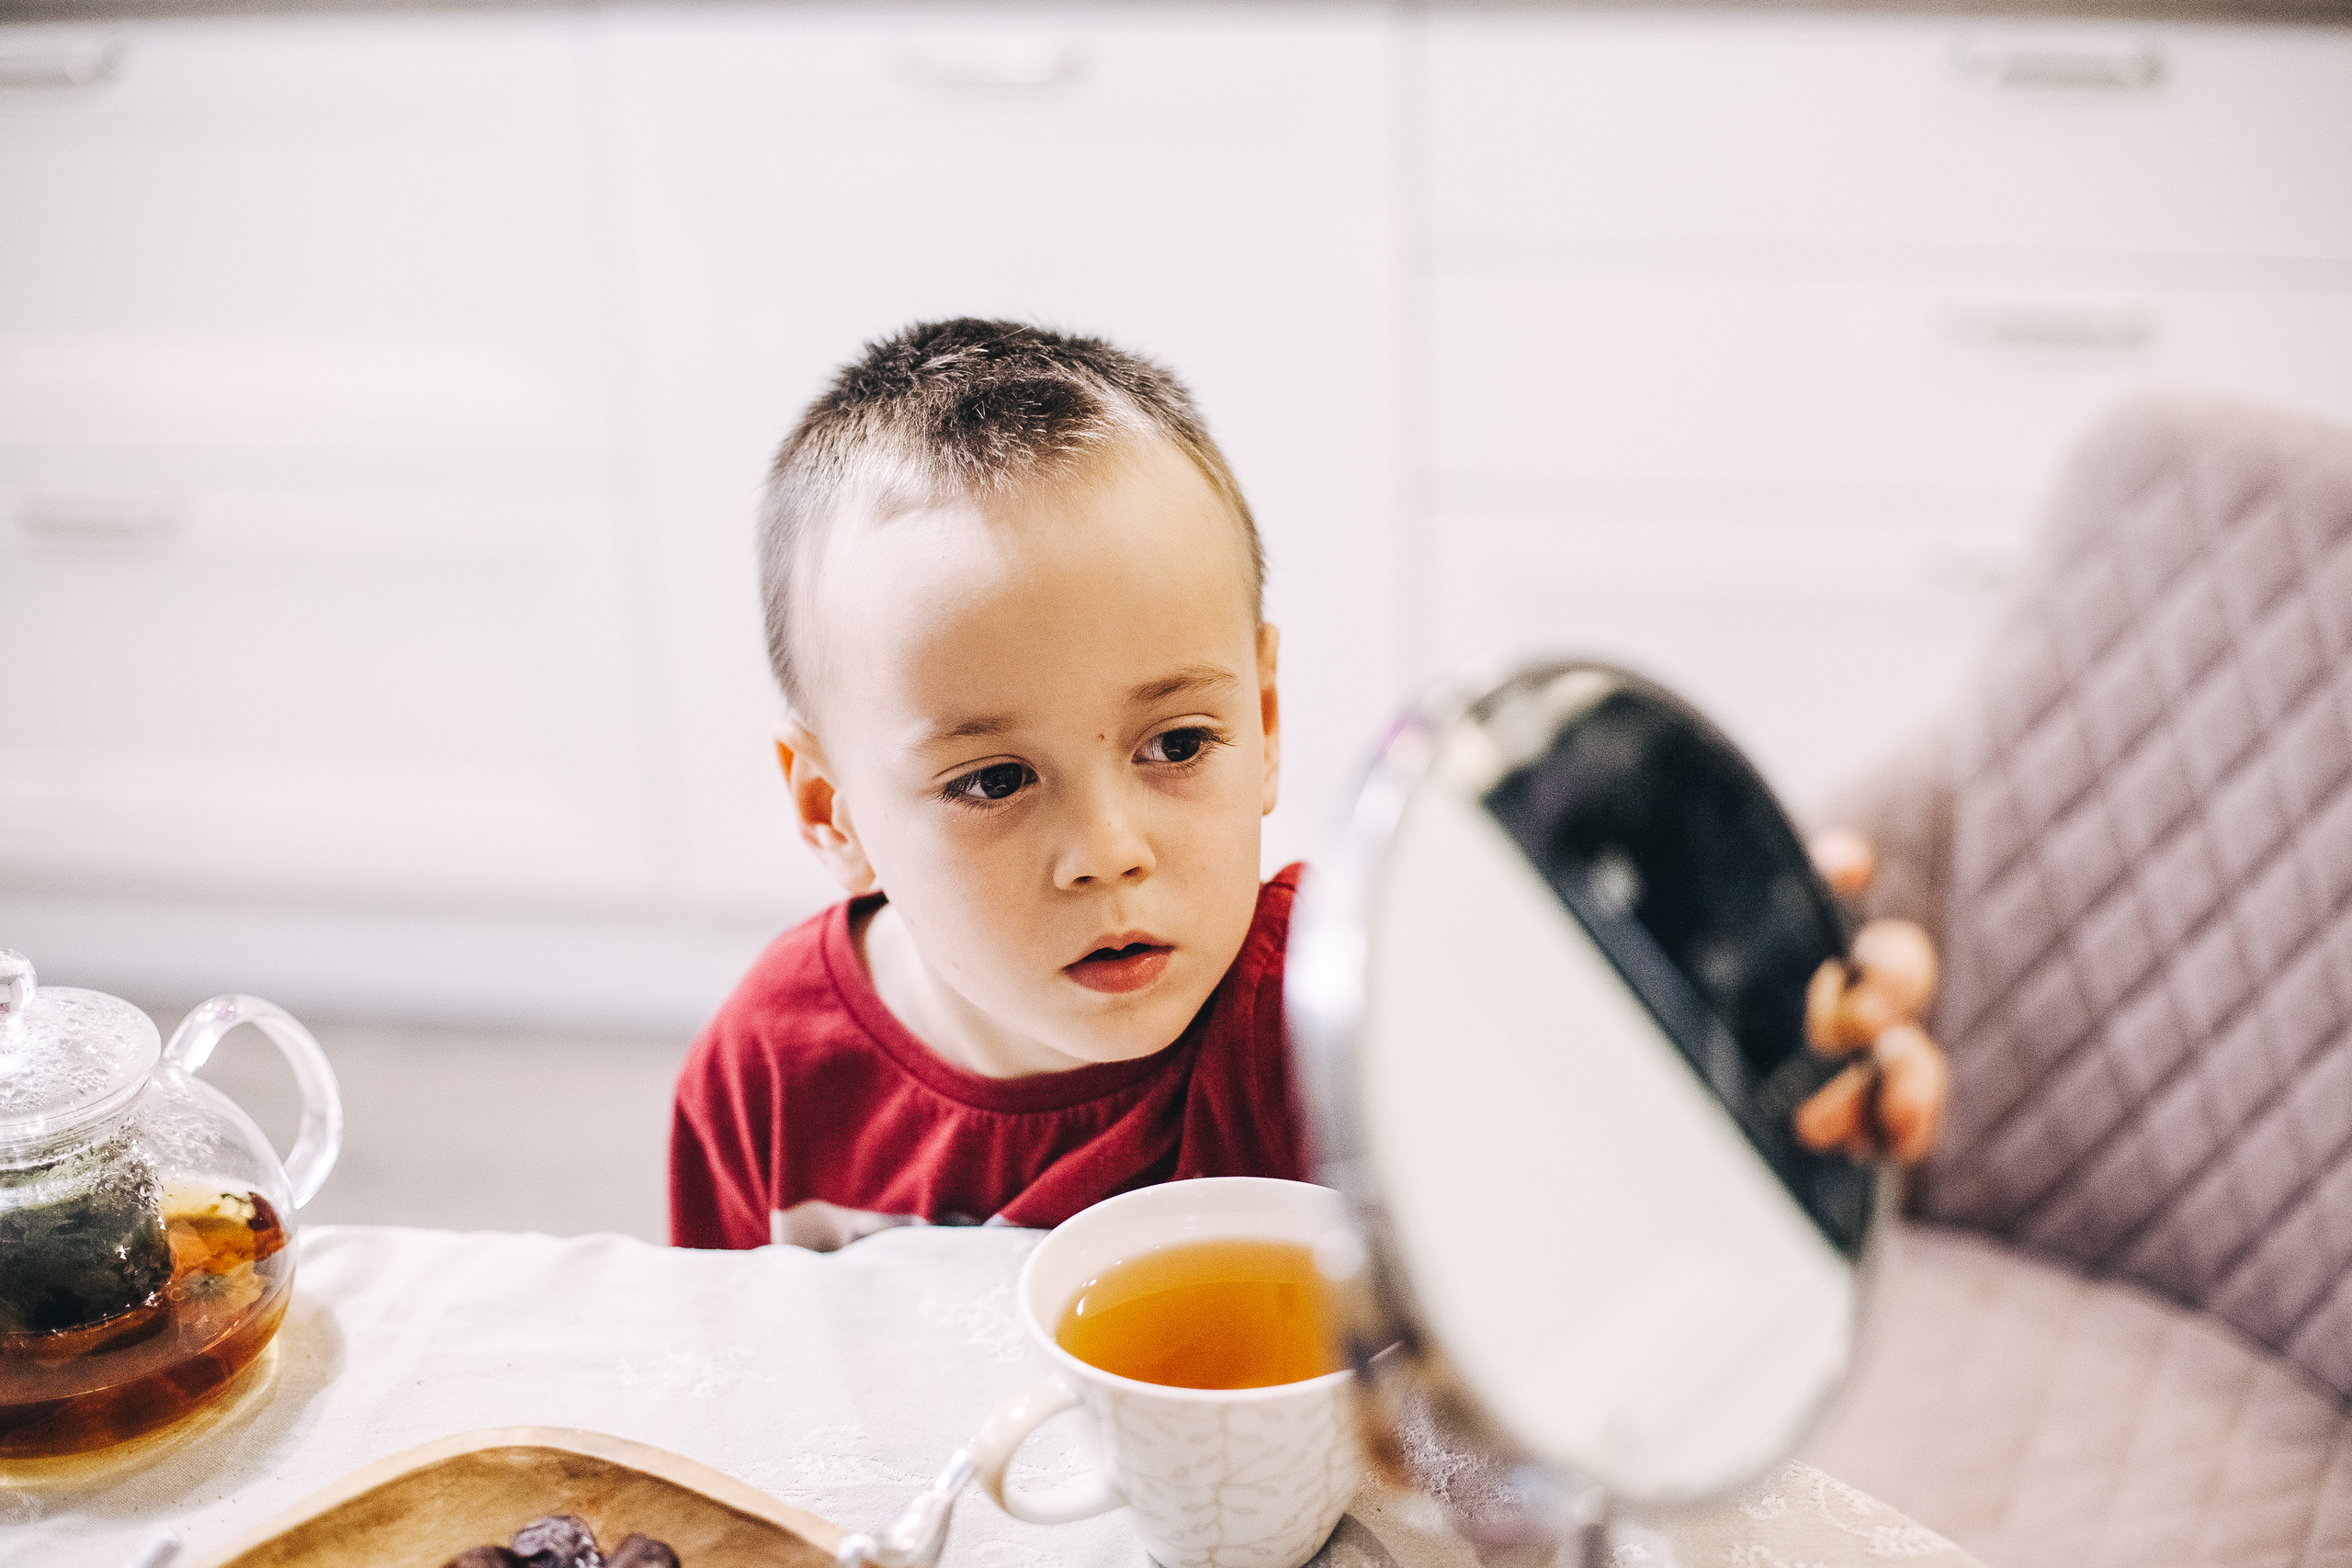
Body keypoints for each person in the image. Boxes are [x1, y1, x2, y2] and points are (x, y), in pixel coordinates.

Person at [669, 319, 1945, 1251]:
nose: (1108, 850)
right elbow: (733, 1407)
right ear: (831, 812)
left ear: (1266, 722)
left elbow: (1621, 1180)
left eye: (1176, 745)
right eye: (995, 778)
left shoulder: (1363, 994)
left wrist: (1774, 1057)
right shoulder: (766, 1076)